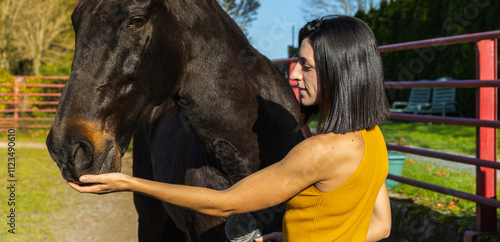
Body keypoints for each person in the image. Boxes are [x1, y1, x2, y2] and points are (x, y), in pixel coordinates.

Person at [69, 15, 392, 242]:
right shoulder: (373, 138)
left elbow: (226, 203)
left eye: (306, 66)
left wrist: (132, 183)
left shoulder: (319, 151)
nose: (294, 75)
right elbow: (381, 225)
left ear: (338, 73)